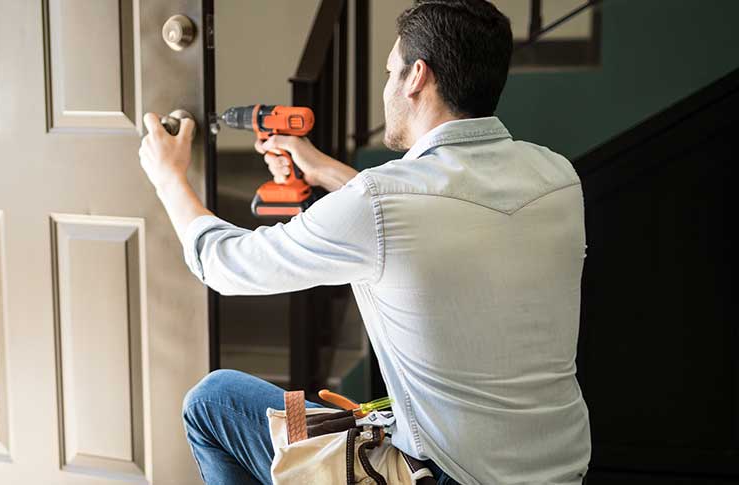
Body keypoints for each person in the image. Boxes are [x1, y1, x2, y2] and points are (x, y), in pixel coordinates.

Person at [137, 0, 591, 483]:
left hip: (449, 476)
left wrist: (169, 177)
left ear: (417, 77)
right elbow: (438, 215)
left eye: (390, 71)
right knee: (314, 419)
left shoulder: (379, 203)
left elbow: (225, 265)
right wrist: (326, 171)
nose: (387, 85)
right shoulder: (557, 177)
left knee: (214, 402)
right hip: (560, 471)